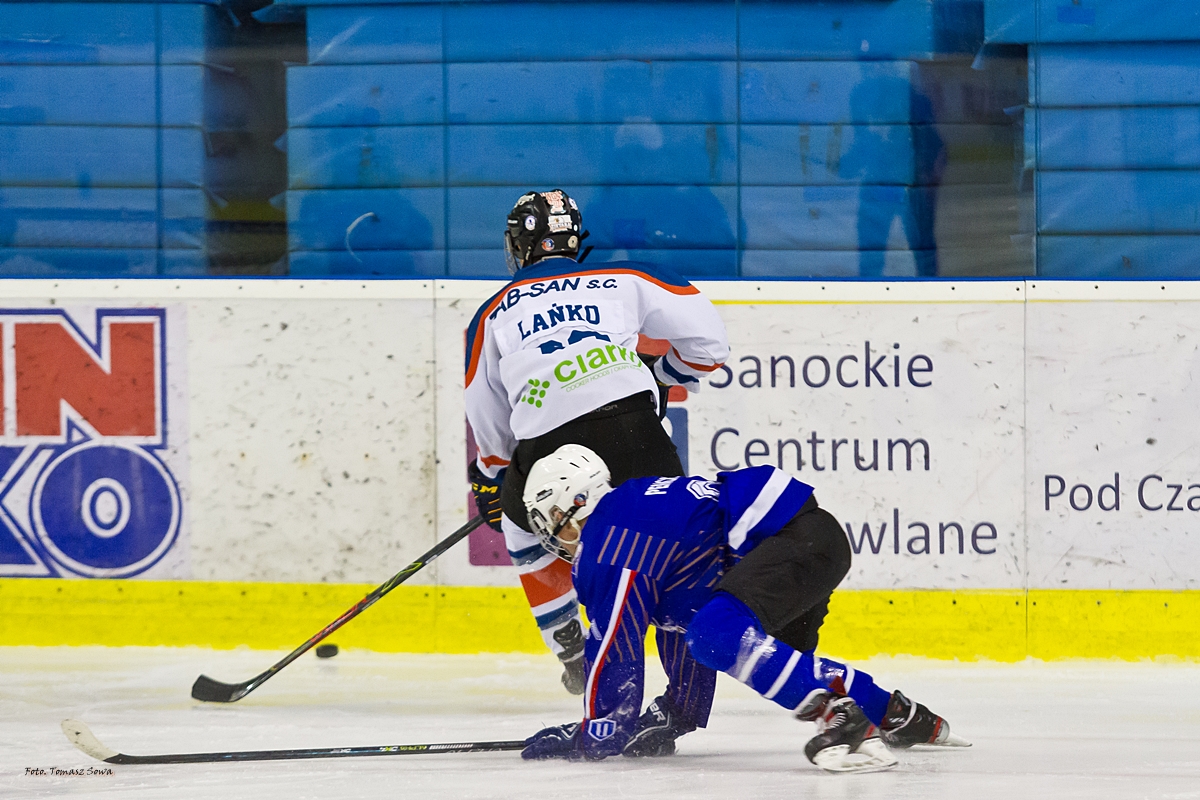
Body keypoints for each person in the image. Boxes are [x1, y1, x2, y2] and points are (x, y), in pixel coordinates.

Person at [518, 445, 969, 773]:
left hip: (792, 544)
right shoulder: (634, 511)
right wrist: (678, 712)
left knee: (717, 635)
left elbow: (615, 641)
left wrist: (598, 730)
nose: (549, 535)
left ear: (571, 505)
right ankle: (894, 713)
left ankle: (840, 715)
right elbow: (683, 615)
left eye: (545, 520)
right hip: (810, 544)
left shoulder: (607, 541)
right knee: (748, 646)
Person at [465, 189, 729, 694]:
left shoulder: (494, 310)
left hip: (548, 446)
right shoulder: (628, 277)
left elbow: (486, 406)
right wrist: (660, 376)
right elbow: (710, 344)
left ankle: (572, 651)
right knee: (669, 547)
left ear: (518, 244)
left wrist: (492, 475)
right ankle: (689, 685)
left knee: (521, 532)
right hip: (636, 432)